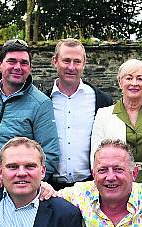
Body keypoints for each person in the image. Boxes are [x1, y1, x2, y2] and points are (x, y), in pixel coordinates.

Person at [0, 39, 59, 174]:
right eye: (11, 61)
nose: (18, 67)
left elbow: (49, 155)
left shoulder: (41, 103)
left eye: (24, 63)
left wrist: (23, 182)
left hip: (16, 187)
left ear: (30, 68)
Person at [90, 59, 142, 187]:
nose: (134, 83)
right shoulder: (103, 115)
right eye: (129, 78)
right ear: (120, 82)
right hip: (114, 186)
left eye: (140, 78)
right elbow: (96, 159)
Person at [47, 38, 113, 190]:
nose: (71, 67)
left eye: (77, 61)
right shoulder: (43, 101)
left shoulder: (101, 100)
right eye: (66, 61)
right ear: (55, 61)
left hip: (91, 185)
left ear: (84, 63)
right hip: (50, 187)